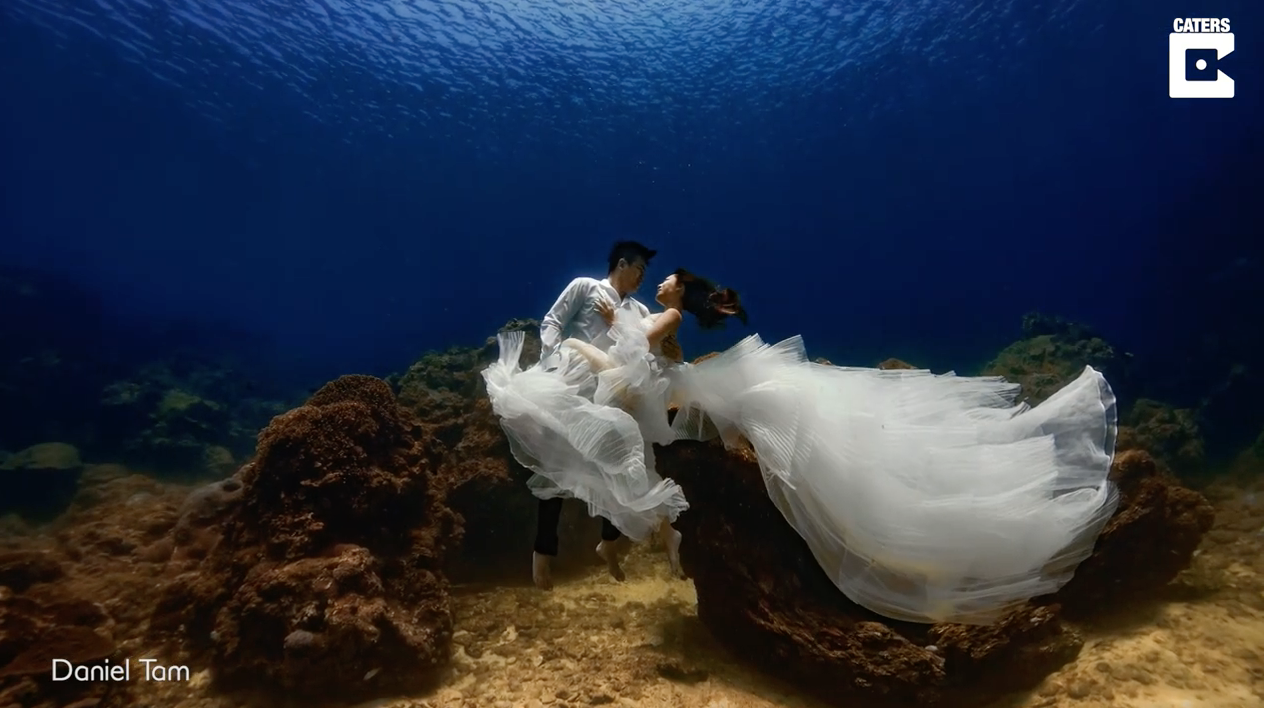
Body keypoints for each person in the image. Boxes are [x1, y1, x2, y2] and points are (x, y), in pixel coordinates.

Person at [490, 266, 1120, 627]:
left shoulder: (666, 318)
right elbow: (651, 371)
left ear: (679, 296)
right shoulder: (651, 321)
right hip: (683, 398)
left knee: (809, 462)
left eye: (670, 283)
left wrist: (576, 347)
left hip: (688, 397)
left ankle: (648, 540)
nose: (660, 285)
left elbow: (634, 362)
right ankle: (648, 541)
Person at [504, 240, 682, 590]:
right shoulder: (585, 287)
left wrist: (672, 351)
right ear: (621, 264)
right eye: (639, 270)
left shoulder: (641, 310)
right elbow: (553, 321)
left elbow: (654, 345)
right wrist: (551, 361)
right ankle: (543, 552)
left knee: (621, 468)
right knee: (556, 469)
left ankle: (609, 546)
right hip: (574, 386)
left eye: (646, 273)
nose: (643, 278)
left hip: (612, 395)